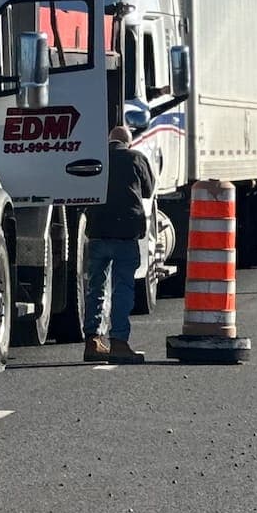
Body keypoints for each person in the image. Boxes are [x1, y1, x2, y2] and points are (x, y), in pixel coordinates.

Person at [81, 117, 157, 363]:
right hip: (126, 233)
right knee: (122, 287)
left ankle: (93, 341)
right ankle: (119, 342)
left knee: (96, 287)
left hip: (97, 232)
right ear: (128, 142)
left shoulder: (97, 160)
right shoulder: (136, 158)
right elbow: (148, 189)